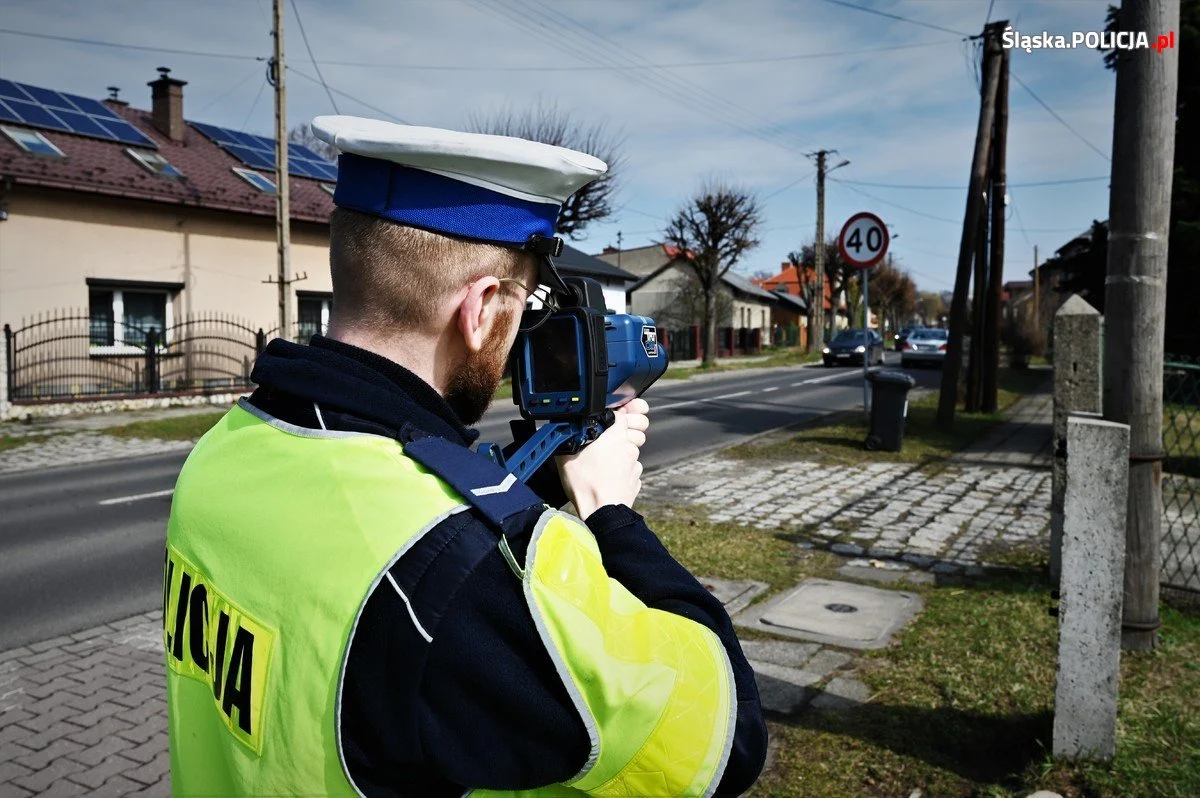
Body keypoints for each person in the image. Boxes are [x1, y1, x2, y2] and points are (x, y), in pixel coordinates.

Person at [163, 116, 767, 797]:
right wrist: (609, 515)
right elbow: (727, 740)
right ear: (479, 308)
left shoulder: (224, 453)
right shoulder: (459, 569)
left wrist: (522, 480)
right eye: (525, 305)